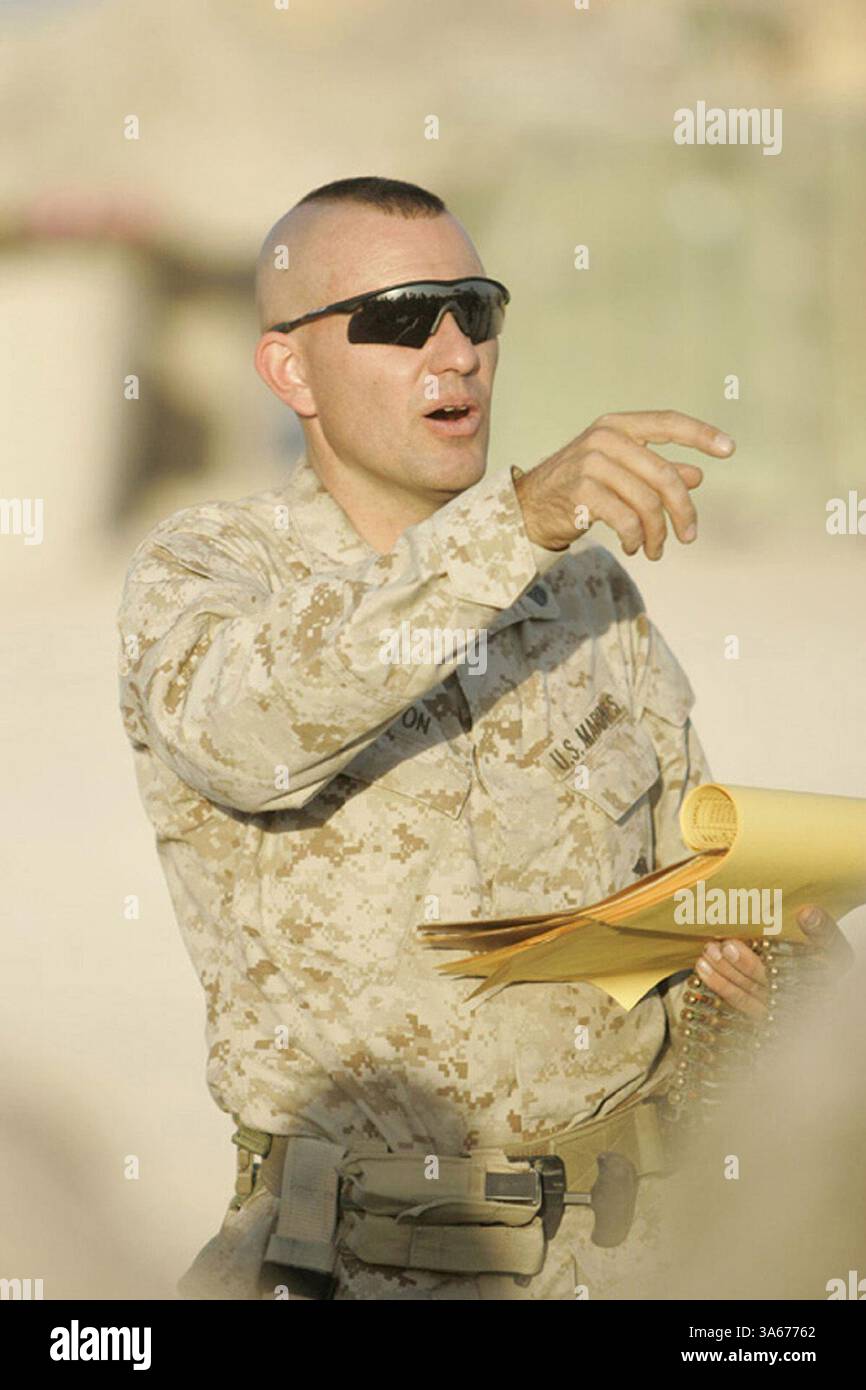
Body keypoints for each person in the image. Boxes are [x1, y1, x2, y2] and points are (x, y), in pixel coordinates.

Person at [116, 176, 845, 1300]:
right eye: (401, 318)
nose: (452, 350)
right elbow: (244, 734)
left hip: (628, 1260)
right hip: (353, 1266)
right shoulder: (213, 572)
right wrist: (512, 522)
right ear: (288, 369)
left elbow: (680, 885)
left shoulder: (579, 592)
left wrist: (763, 962)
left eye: (475, 308)